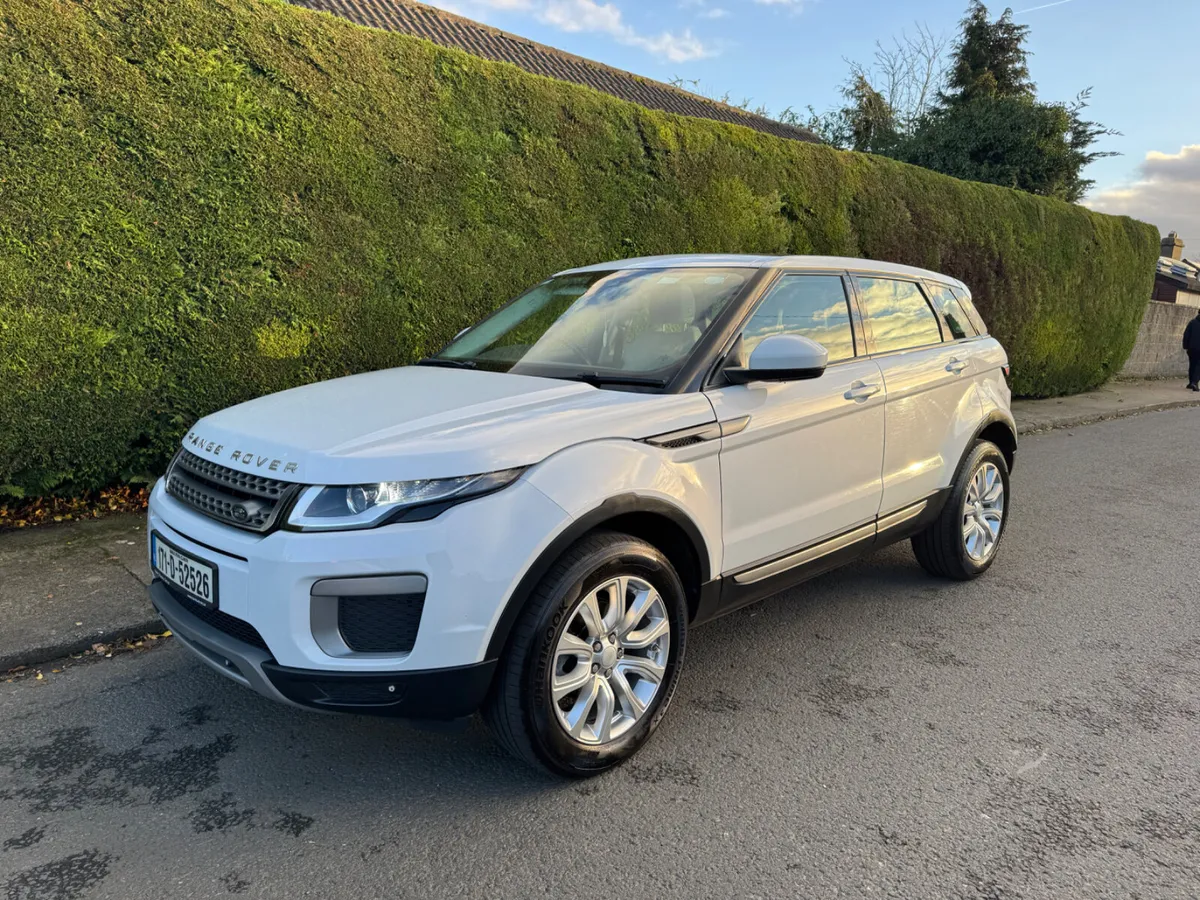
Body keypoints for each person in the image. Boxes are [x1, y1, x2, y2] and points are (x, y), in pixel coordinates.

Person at [1186, 309, 1200, 391]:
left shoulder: (1192, 323)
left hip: (1192, 348)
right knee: (1198, 367)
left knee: (1192, 365)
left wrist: (1186, 346)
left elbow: (1186, 335)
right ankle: (1194, 382)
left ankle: (1191, 382)